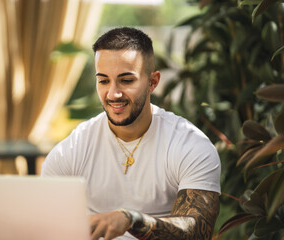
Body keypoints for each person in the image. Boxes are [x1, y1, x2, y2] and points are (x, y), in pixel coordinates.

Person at [41, 27, 221, 240]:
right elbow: (46, 225)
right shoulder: (71, 150)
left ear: (152, 82)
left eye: (126, 80)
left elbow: (196, 232)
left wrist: (132, 219)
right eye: (104, 80)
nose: (113, 93)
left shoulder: (190, 145)